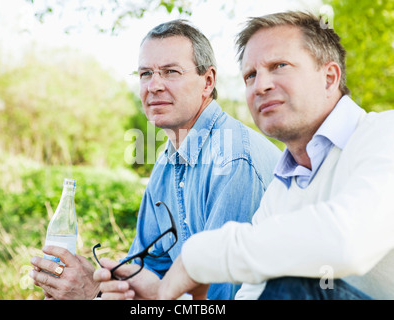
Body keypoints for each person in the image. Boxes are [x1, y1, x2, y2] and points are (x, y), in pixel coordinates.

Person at [30, 19, 281, 300]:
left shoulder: (233, 161)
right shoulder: (165, 162)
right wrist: (104, 290)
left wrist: (92, 292)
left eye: (170, 72)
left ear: (207, 82)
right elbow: (146, 272)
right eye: (145, 73)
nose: (154, 85)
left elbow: (220, 301)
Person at [157, 11, 394, 300]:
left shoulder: (385, 133)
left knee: (292, 282)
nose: (261, 85)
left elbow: (350, 242)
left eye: (280, 65)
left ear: (329, 78)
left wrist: (197, 257)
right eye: (251, 75)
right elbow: (254, 294)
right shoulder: (279, 191)